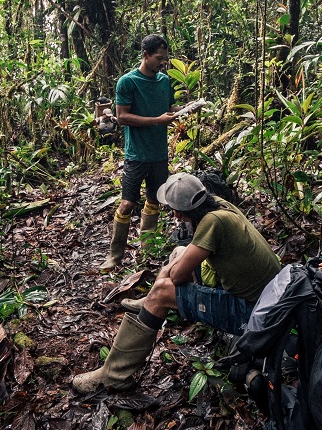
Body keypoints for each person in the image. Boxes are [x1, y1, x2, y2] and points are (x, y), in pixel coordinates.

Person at [73, 172, 282, 393]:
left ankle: (114, 375)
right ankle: (150, 302)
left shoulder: (213, 222)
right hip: (267, 298)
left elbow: (178, 277)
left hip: (253, 312)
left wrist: (164, 278)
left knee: (164, 291)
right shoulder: (219, 206)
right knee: (179, 252)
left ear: (178, 212)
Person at [99, 34, 179, 272]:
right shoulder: (127, 82)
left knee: (154, 201)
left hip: (159, 154)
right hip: (136, 155)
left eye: (165, 59)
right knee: (126, 204)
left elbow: (168, 109)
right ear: (145, 55)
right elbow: (122, 117)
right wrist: (157, 120)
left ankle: (147, 254)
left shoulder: (164, 82)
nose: (162, 63)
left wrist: (183, 110)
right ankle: (115, 256)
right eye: (158, 58)